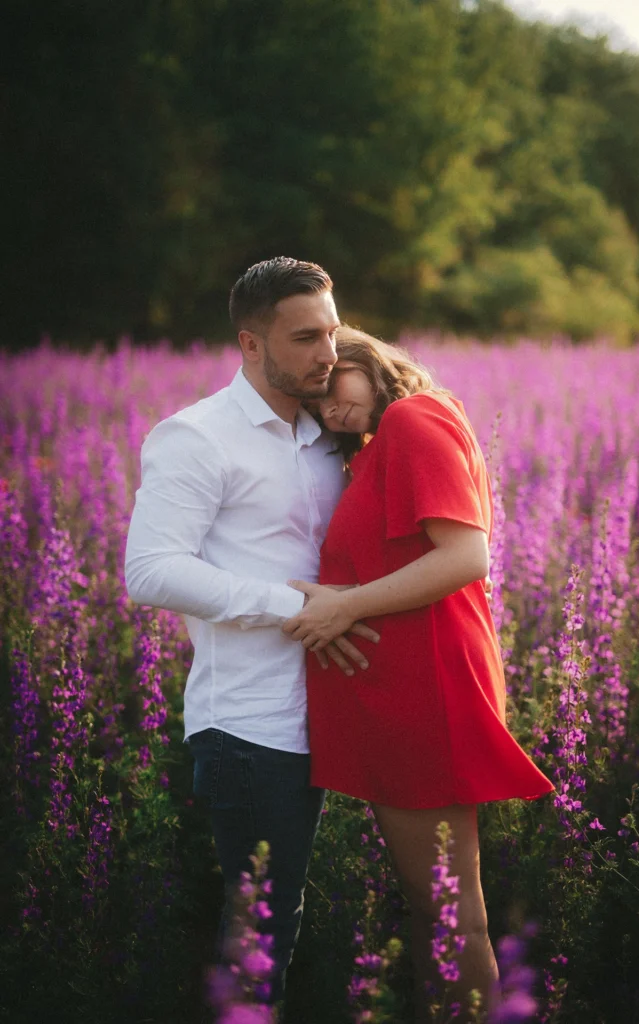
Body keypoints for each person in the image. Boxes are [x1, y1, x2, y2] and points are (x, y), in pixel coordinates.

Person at [124, 259, 380, 1003]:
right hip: (249, 724)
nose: (328, 353)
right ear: (250, 343)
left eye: (332, 332)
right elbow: (151, 571)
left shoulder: (332, 431)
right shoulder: (196, 437)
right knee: (262, 931)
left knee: (292, 924)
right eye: (304, 338)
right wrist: (293, 606)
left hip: (334, 714)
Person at [282, 327, 554, 1021]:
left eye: (332, 383)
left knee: (449, 911)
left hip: (422, 693)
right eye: (313, 405)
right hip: (401, 694)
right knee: (433, 905)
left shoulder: (412, 417)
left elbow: (465, 557)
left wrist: (344, 606)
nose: (328, 409)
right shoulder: (387, 438)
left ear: (365, 359)